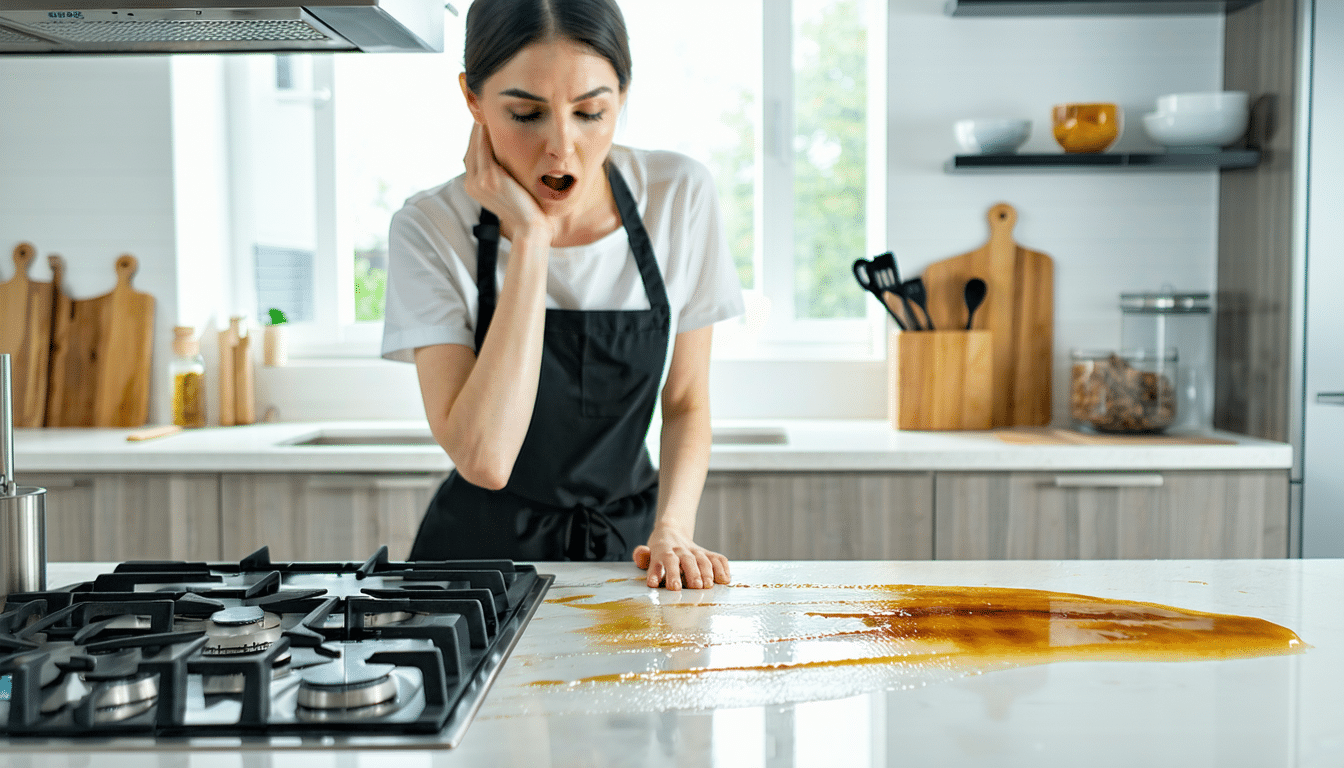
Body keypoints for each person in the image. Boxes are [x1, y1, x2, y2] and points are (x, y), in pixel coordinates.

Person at [380, 0, 745, 590]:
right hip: (477, 566)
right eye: (526, 114)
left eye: (590, 112)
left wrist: (673, 527)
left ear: (622, 98)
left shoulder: (677, 196)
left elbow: (685, 403)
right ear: (472, 100)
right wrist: (529, 238)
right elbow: (486, 459)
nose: (562, 149)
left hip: (632, 555)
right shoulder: (430, 226)